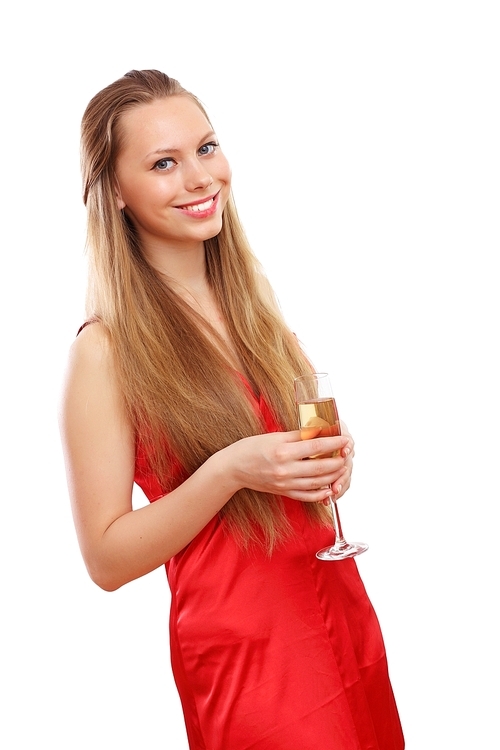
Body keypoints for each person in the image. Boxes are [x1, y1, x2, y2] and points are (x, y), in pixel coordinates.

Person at [59, 69, 404, 749]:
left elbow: (296, 464)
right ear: (117, 195)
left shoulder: (254, 307)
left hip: (338, 608)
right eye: (163, 163)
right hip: (248, 651)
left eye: (206, 148)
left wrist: (324, 470)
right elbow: (105, 559)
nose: (199, 177)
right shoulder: (104, 352)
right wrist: (228, 471)